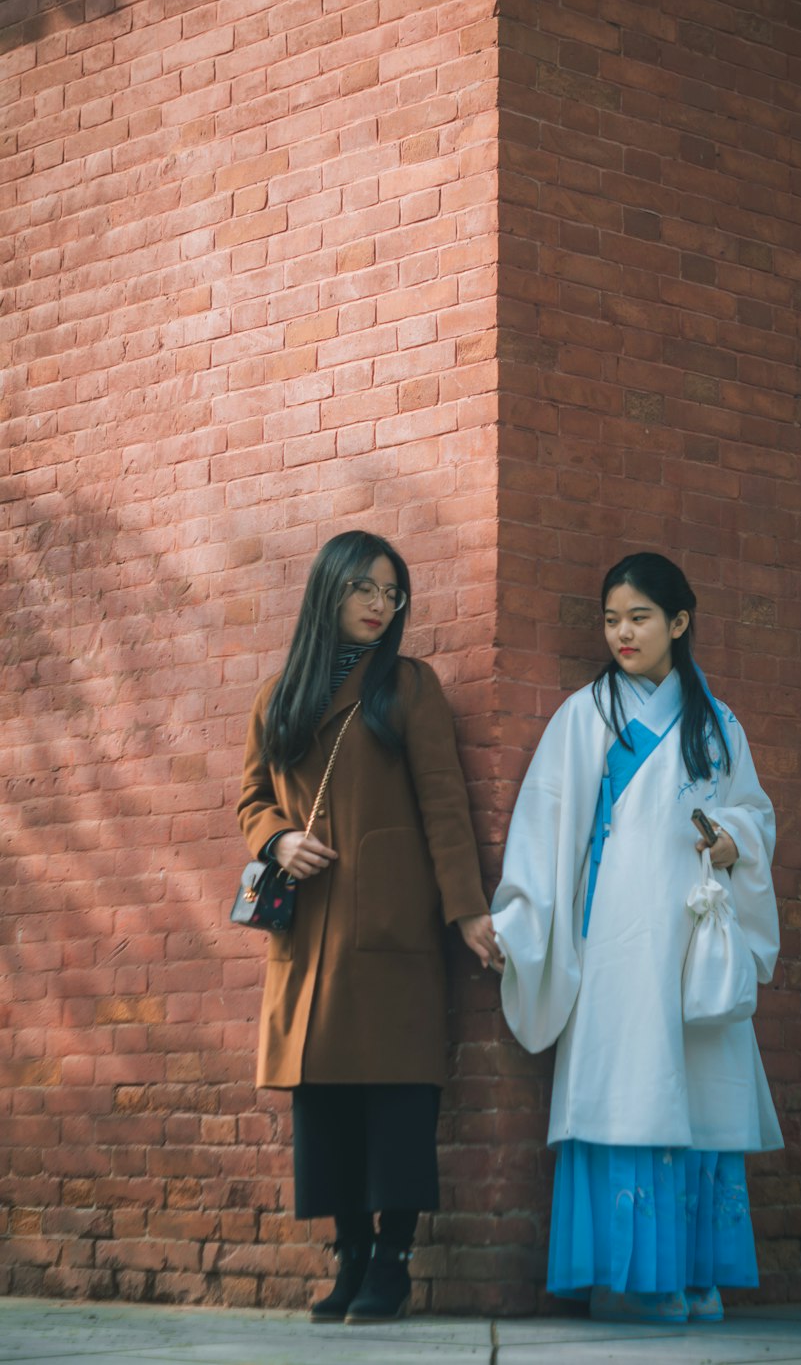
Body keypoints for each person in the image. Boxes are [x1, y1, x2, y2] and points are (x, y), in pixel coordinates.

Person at [491, 552, 781, 1324]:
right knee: (630, 1090)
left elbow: (755, 814)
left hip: (694, 931)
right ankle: (633, 1282)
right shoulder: (586, 716)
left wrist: (735, 840)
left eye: (640, 617)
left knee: (700, 1093)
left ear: (679, 623)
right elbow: (545, 822)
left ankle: (692, 1275)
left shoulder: (718, 726)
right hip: (619, 937)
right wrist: (520, 921)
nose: (622, 632)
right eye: (612, 618)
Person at [237, 530, 502, 1325]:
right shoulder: (279, 694)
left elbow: (446, 807)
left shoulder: (409, 688)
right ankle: (349, 1257)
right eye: (365, 589)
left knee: (396, 1100)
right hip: (307, 931)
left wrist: (467, 909)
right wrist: (277, 839)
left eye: (392, 593)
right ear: (330, 592)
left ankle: (393, 1262)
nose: (381, 606)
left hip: (392, 929)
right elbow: (252, 798)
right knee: (324, 1103)